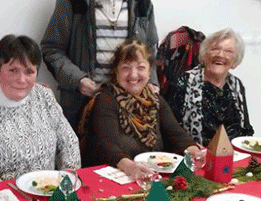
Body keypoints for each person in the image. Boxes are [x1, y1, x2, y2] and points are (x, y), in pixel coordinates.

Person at [41, 0, 158, 129]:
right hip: (82, 108)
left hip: (128, 108)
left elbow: (150, 50)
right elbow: (51, 49)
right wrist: (78, 80)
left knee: (126, 162)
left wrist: (151, 82)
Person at [0, 35, 81, 184]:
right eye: (13, 70)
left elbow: (70, 143)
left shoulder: (44, 96)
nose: (22, 79)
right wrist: (10, 197)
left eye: (29, 71)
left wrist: (65, 182)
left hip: (49, 192)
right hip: (5, 199)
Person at [80, 40, 201, 180]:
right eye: (126, 68)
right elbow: (105, 145)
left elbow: (176, 133)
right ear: (116, 71)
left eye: (141, 67)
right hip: (118, 178)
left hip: (152, 177)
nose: (133, 75)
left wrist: (194, 151)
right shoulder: (106, 99)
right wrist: (129, 166)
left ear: (149, 71)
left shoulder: (156, 100)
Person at [166, 28, 254, 146]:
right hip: (195, 155)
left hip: (234, 154)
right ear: (204, 54)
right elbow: (170, 132)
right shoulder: (182, 83)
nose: (220, 55)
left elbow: (245, 129)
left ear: (235, 60)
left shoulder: (237, 86)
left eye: (228, 51)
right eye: (215, 49)